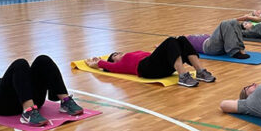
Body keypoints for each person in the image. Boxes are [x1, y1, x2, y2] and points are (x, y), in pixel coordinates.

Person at [85, 36, 215, 87]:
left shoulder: (134, 54)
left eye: (117, 52)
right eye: (114, 55)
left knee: (180, 40)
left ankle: (200, 71)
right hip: (147, 69)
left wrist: (165, 48)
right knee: (170, 40)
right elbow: (103, 65)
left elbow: (155, 56)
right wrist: (94, 62)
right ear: (114, 61)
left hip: (157, 64)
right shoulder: (119, 64)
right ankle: (183, 76)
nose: (117, 53)